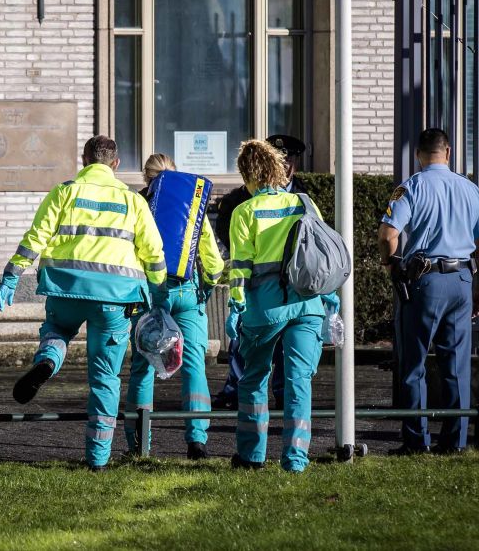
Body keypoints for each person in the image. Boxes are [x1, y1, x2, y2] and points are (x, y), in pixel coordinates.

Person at [0, 135, 166, 471]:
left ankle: (48, 360)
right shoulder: (133, 202)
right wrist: (158, 292)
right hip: (114, 300)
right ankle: (97, 459)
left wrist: (12, 274)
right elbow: (153, 252)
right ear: (115, 164)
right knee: (105, 377)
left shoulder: (65, 192)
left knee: (56, 330)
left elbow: (36, 236)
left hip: (65, 291)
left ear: (85, 159)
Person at [224, 139, 338, 473]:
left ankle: (251, 456)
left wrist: (235, 307)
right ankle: (296, 459)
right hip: (307, 305)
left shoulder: (244, 212)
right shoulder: (304, 202)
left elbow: (241, 268)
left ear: (247, 175)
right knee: (298, 382)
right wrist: (331, 301)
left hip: (265, 310)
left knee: (254, 379)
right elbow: (323, 257)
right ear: (278, 169)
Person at [378, 128, 479, 455]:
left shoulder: (410, 188)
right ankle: (455, 442)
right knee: (455, 366)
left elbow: (388, 234)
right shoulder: (470, 190)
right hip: (461, 281)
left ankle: (416, 441)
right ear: (449, 151)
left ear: (418, 154)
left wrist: (391, 265)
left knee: (413, 364)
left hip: (424, 283)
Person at [123, 153, 224, 460]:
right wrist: (204, 288)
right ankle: (196, 441)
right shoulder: (191, 207)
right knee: (194, 364)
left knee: (144, 367)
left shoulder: (139, 204)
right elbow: (215, 262)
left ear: (146, 178)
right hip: (188, 292)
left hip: (151, 295)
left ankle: (140, 445)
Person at [212, 134, 307, 411]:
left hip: (268, 298)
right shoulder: (301, 202)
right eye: (281, 160)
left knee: (261, 372)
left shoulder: (294, 198)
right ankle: (295, 453)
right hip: (299, 302)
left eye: (290, 159)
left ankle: (254, 450)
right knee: (296, 381)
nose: (286, 165)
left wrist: (237, 300)